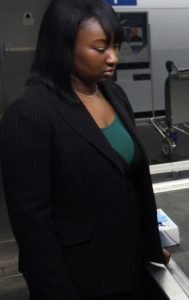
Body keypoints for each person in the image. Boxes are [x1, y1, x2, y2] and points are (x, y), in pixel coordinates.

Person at [0, 0, 166, 298]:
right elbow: (33, 227)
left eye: (116, 46)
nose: (113, 58)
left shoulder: (115, 94)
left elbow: (135, 184)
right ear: (63, 47)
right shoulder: (30, 113)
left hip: (133, 268)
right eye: (101, 49)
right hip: (82, 280)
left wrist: (152, 250)